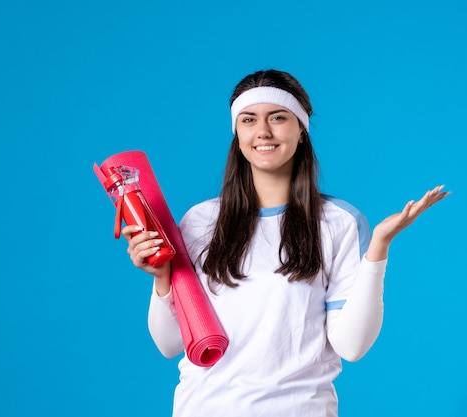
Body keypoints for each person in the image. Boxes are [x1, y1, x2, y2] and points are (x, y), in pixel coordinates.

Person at [121, 69, 449, 417]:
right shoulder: (201, 222)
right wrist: (162, 278)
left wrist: (379, 248)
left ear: (302, 131)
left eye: (278, 118)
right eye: (249, 120)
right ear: (237, 133)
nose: (263, 132)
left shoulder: (339, 222)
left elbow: (351, 346)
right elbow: (170, 344)